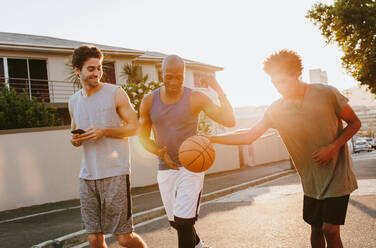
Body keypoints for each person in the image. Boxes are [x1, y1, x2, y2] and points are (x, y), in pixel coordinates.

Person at [209, 50, 360, 248]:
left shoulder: (327, 93)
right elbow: (248, 136)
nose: (278, 87)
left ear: (296, 74)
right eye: (274, 83)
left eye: (282, 81)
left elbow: (355, 123)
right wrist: (211, 138)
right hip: (311, 182)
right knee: (315, 229)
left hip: (338, 176)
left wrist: (332, 147)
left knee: (329, 230)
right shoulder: (277, 110)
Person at [139, 54, 235, 248]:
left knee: (184, 222)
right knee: (177, 223)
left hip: (192, 167)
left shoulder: (195, 98)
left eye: (179, 76)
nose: (174, 81)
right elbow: (142, 138)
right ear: (161, 73)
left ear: (184, 74)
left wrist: (217, 88)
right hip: (166, 168)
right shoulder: (149, 101)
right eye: (169, 76)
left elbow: (229, 120)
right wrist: (160, 152)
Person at [69, 45, 147, 248]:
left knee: (124, 238)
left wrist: (105, 131)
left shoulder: (116, 93)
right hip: (87, 176)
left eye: (99, 68)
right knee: (94, 238)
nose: (97, 73)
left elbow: (135, 128)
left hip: (115, 174)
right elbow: (74, 133)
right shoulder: (73, 101)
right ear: (78, 71)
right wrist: (75, 141)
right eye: (91, 69)